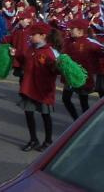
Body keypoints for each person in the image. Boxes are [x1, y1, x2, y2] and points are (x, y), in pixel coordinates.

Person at [15, 22, 62, 152]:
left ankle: (48, 141)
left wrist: (59, 66)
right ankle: (33, 139)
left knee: (45, 115)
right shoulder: (31, 48)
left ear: (43, 35)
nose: (30, 37)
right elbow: (25, 61)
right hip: (29, 87)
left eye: (33, 35)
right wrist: (16, 54)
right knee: (28, 113)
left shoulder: (51, 52)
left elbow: (57, 69)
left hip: (43, 89)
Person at [62, 19, 103, 121]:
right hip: (70, 76)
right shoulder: (67, 41)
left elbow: (103, 52)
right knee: (65, 98)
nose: (70, 30)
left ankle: (86, 122)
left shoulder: (89, 42)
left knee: (83, 102)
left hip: (83, 76)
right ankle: (76, 119)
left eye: (72, 29)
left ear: (80, 30)